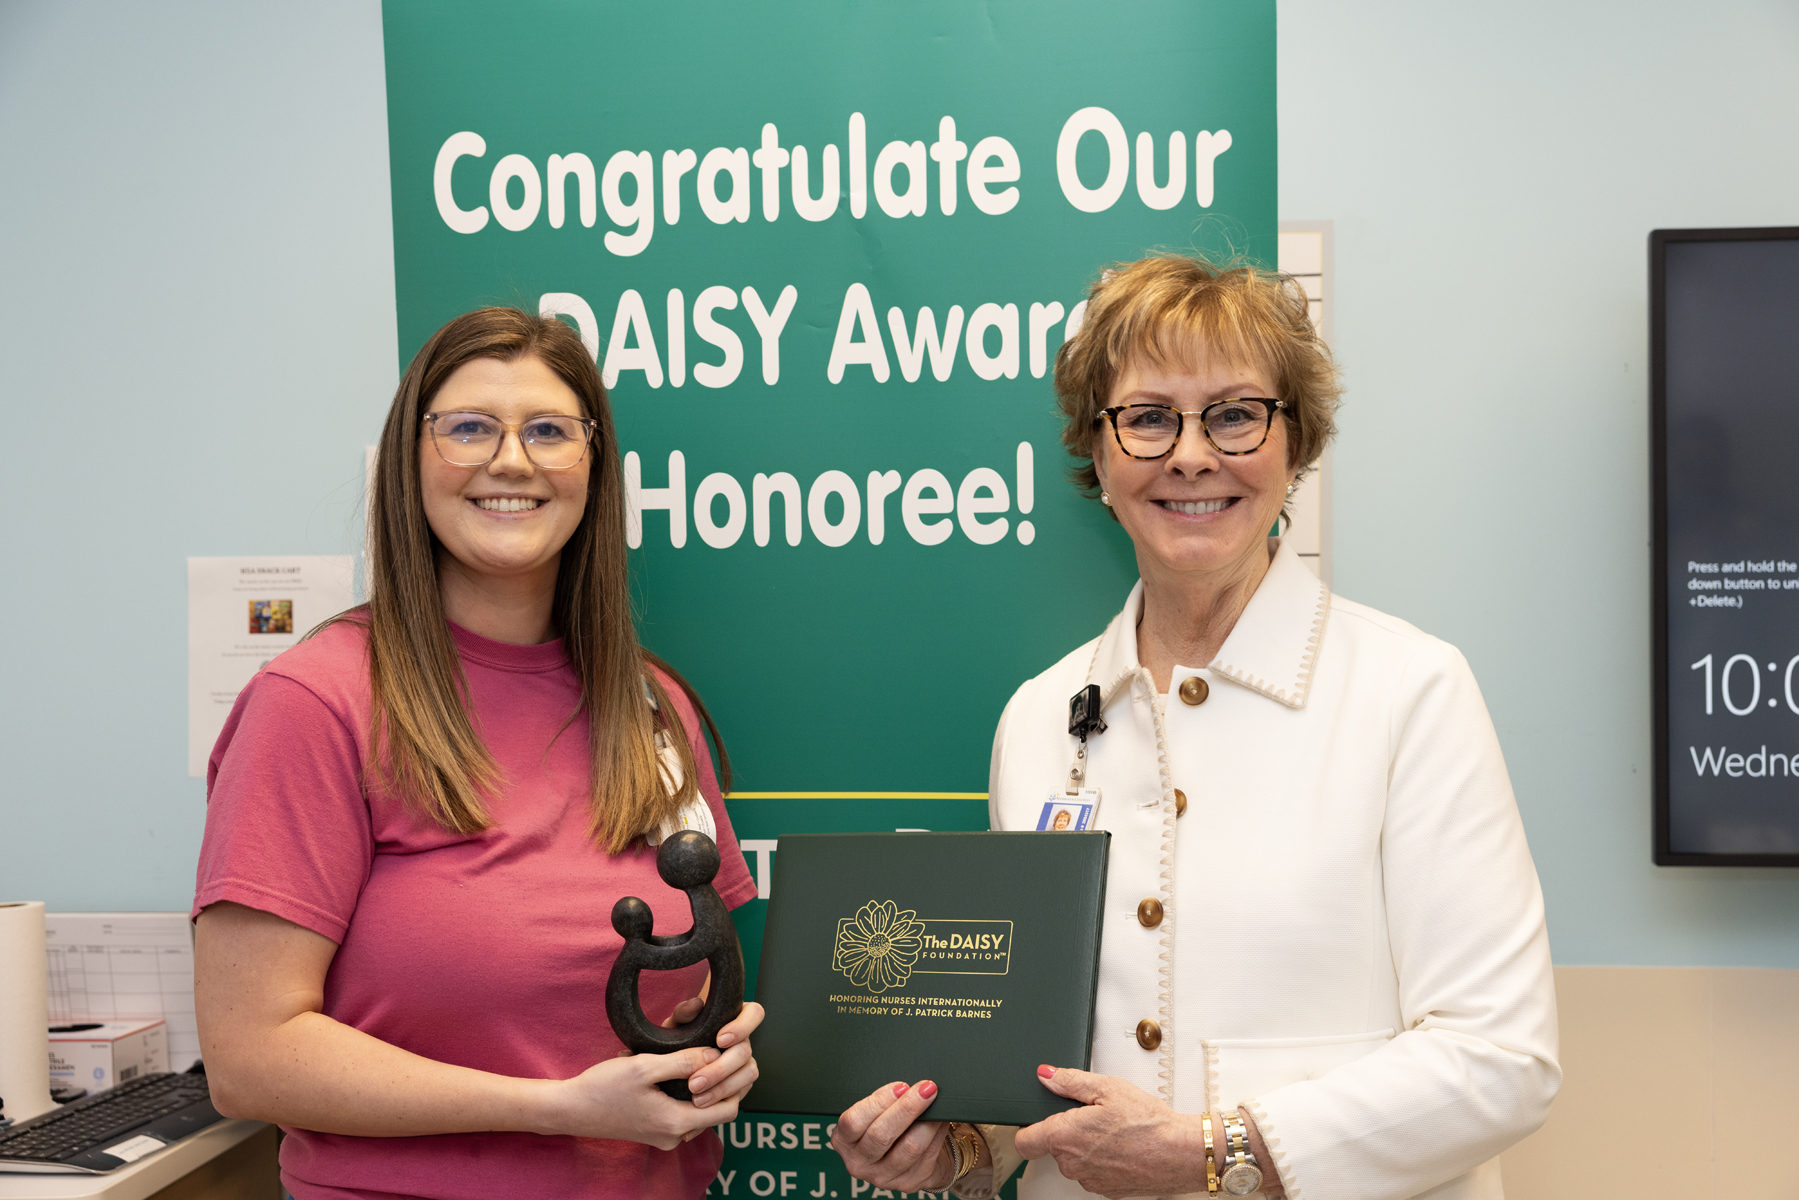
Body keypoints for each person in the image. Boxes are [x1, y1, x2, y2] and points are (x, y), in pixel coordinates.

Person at [830, 256, 1560, 1200]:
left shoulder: (1409, 691)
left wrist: (1216, 1149)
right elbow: (1033, 1072)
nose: (1189, 454)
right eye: (1146, 418)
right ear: (1095, 455)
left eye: (1233, 414)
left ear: (1295, 444)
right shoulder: (1038, 718)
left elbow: (1501, 1059)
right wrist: (957, 1148)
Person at [193, 308, 763, 1200]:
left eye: (549, 431)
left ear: (593, 468)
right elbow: (250, 1058)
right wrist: (559, 1108)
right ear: (409, 464)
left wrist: (710, 1041)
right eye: (467, 429)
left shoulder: (651, 704)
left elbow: (695, 977)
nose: (512, 460)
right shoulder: (315, 704)